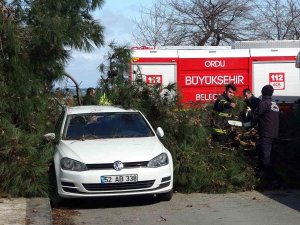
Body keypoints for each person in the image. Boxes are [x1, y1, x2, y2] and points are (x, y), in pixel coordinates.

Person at [257, 85, 280, 188]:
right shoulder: (275, 104)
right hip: (275, 135)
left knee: (265, 159)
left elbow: (255, 116)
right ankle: (274, 179)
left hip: (266, 135)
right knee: (273, 159)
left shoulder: (264, 103)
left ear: (262, 93)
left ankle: (270, 181)